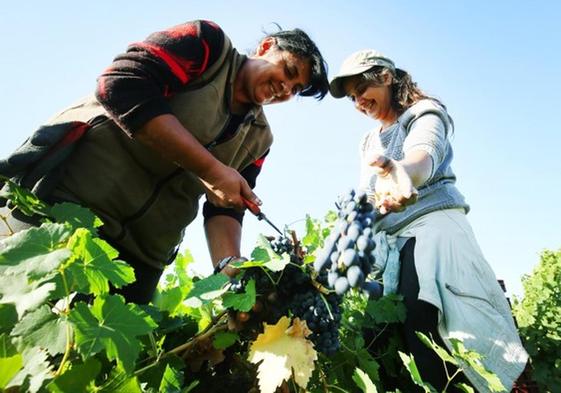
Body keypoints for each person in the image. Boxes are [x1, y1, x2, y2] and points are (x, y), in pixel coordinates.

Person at [0, 20, 329, 304]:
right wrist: (212, 169)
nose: (285, 87)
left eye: (296, 89)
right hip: (67, 206)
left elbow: (225, 207)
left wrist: (232, 270)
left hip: (139, 259)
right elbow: (120, 84)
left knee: (91, 364)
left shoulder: (260, 139)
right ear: (266, 46)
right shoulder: (208, 46)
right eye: (288, 71)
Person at [329, 50, 528, 392]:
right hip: (391, 246)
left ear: (386, 76)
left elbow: (424, 155)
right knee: (382, 339)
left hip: (434, 231)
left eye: (362, 87)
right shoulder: (369, 141)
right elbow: (368, 197)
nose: (359, 101)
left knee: (431, 330)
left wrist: (402, 172)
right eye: (352, 97)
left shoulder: (424, 113)